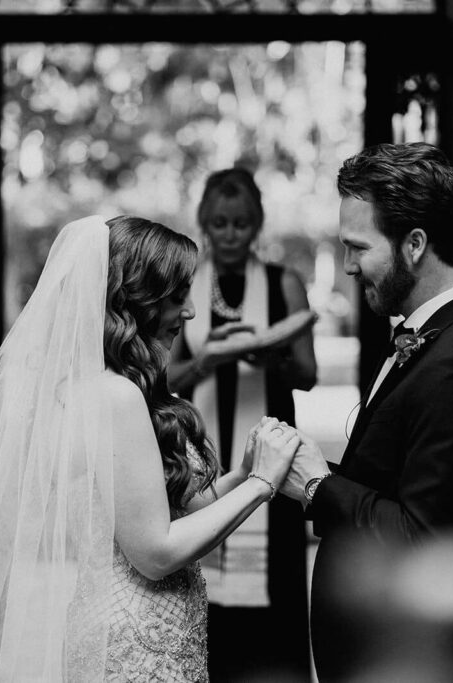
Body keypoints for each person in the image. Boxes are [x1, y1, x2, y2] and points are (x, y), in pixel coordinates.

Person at [0, 215, 302, 681]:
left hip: (146, 626)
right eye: (177, 296)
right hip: (135, 638)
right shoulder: (117, 396)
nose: (189, 312)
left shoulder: (117, 387)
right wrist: (262, 484)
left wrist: (244, 472)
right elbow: (155, 553)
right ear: (139, 300)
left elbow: (171, 509)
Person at [278, 143, 453, 681]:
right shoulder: (423, 339)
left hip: (397, 654)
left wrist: (318, 485)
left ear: (414, 245)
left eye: (358, 248)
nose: (348, 267)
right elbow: (390, 489)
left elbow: (422, 540)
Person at [168, 168, 316, 680]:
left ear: (257, 225)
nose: (230, 234)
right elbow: (162, 377)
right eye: (220, 223)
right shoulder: (184, 285)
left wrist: (269, 356)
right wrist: (207, 360)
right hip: (198, 449)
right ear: (204, 223)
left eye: (241, 223)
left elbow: (309, 374)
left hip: (266, 452)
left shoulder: (284, 284)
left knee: (273, 579)